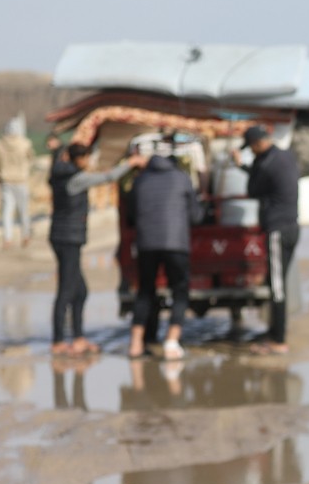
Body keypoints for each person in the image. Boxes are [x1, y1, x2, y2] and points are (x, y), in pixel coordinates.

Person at [48, 143, 144, 356]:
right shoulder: (76, 178)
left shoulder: (61, 173)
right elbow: (107, 178)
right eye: (86, 157)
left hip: (65, 236)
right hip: (67, 238)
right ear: (78, 159)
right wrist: (131, 163)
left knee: (80, 291)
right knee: (66, 290)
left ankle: (78, 338)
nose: (88, 161)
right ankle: (58, 341)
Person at [125, 150, 204, 360]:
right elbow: (196, 216)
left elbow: (131, 214)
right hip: (176, 243)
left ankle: (135, 344)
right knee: (179, 290)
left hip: (146, 244)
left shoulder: (140, 181)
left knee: (145, 291)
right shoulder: (182, 178)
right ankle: (171, 342)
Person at [235, 125, 299, 355]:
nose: (251, 152)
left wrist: (241, 166)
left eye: (251, 148)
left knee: (277, 287)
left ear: (257, 144)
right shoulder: (285, 157)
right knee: (277, 282)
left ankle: (278, 341)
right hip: (292, 227)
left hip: (277, 231)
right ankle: (274, 332)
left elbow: (253, 189)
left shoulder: (265, 164)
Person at [0, 117, 36, 249]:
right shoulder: (25, 143)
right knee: (23, 210)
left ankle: (8, 238)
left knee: (7, 211)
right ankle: (25, 235)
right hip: (21, 180)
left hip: (6, 181)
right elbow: (31, 159)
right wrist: (26, 171)